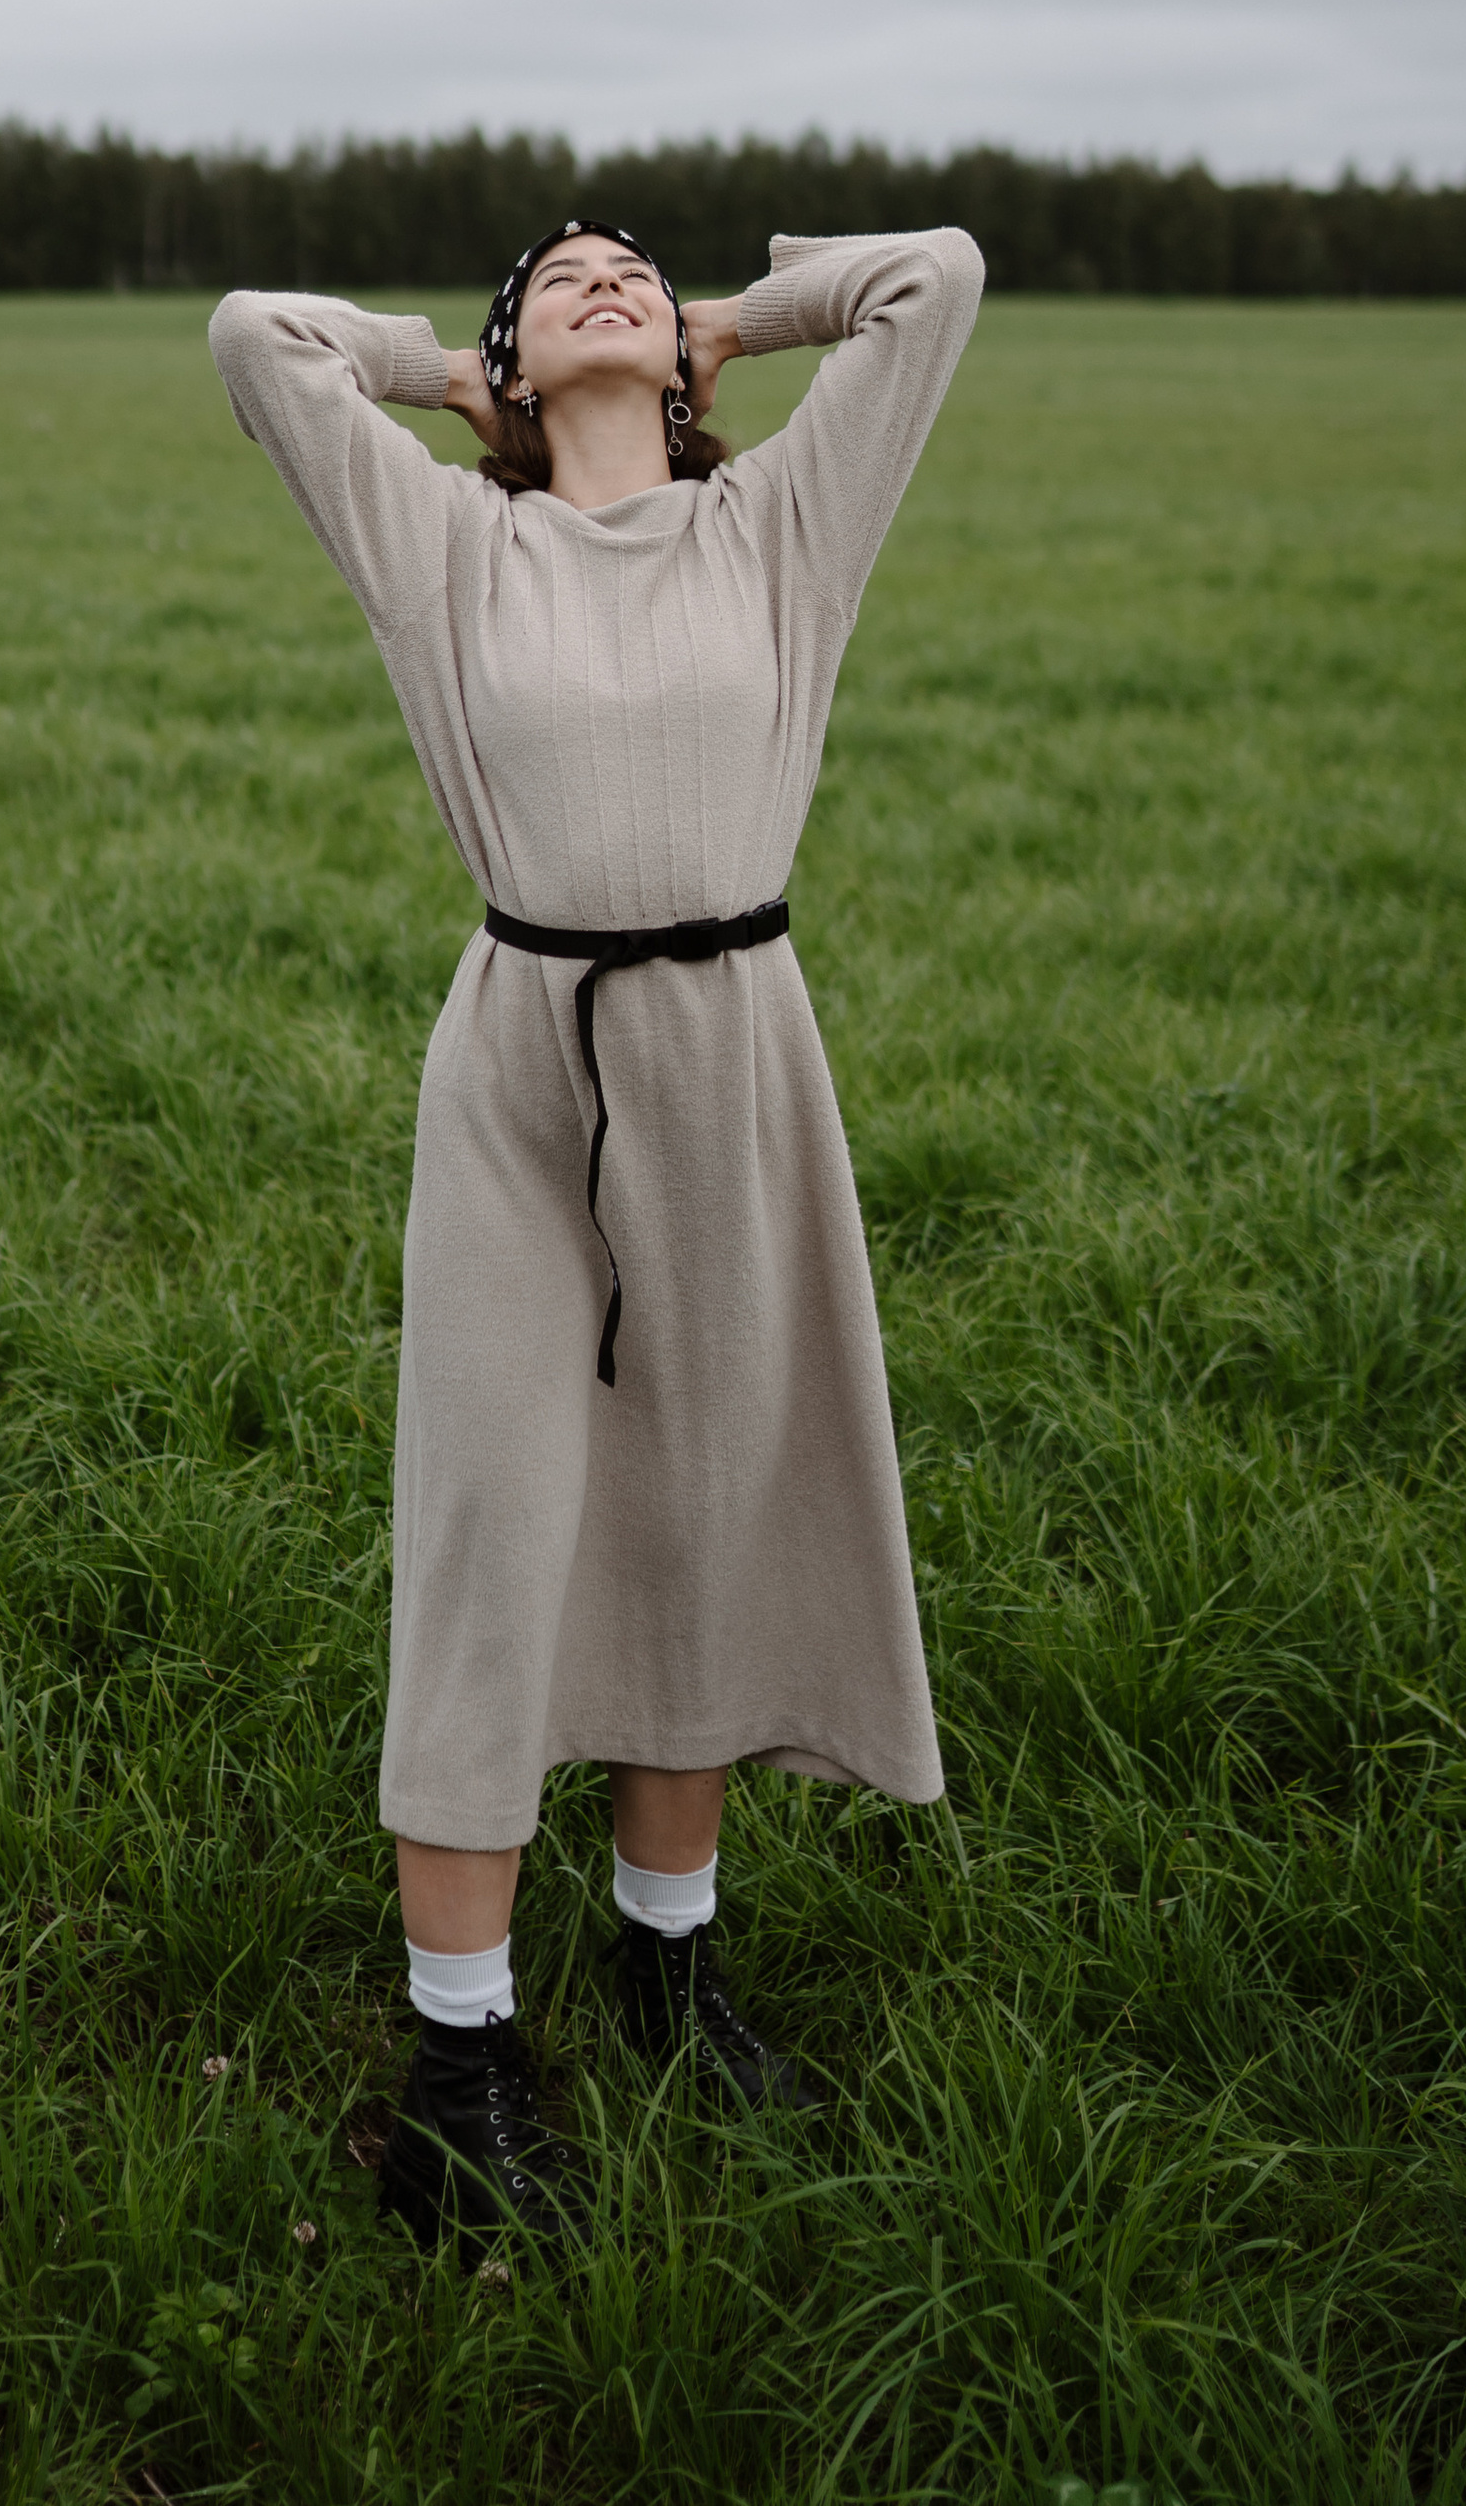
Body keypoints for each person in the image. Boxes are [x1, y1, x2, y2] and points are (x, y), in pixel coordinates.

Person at [207, 214, 984, 2257]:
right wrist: (437, 374)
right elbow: (254, 338)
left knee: (695, 1515)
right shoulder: (450, 550)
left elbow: (937, 278)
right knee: (492, 1531)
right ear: (515, 370)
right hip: (521, 1074)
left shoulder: (783, 529)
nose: (605, 276)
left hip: (734, 1066)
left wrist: (741, 314)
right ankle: (459, 2075)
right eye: (556, 279)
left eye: (635, 267)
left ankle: (668, 1969)